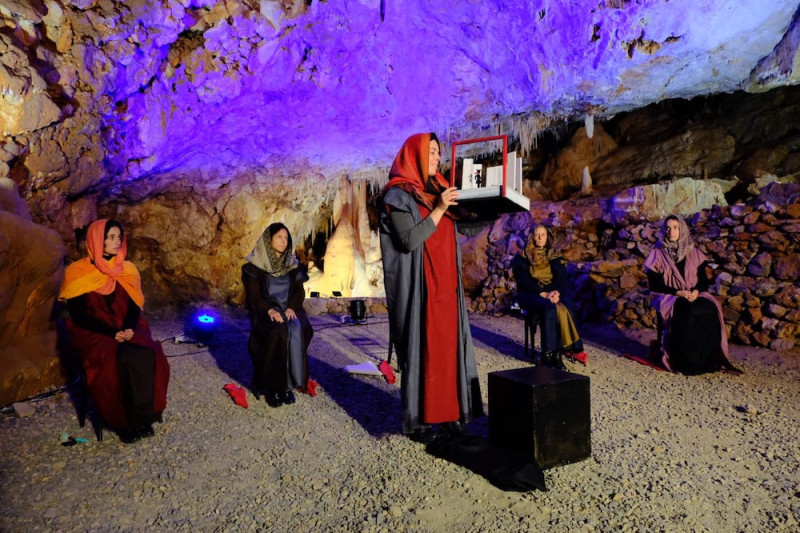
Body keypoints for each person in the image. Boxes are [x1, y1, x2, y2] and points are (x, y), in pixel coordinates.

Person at [379, 132, 484, 443]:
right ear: (416, 155)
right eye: (433, 152)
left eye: (439, 152)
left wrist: (495, 205)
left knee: (448, 349)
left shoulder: (439, 190)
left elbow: (465, 224)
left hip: (446, 285)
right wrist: (439, 208)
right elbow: (409, 240)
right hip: (421, 288)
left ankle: (449, 413)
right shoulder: (397, 196)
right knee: (423, 349)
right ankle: (421, 420)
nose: (439, 158)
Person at [59, 219, 170, 443]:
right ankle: (123, 422)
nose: (116, 242)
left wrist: (128, 328)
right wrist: (112, 334)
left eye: (119, 237)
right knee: (118, 360)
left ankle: (144, 415)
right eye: (110, 237)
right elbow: (80, 316)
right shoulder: (78, 272)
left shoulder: (127, 270)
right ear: (97, 240)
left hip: (125, 327)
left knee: (149, 354)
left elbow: (133, 307)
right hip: (93, 331)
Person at [644, 214, 739, 375]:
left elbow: (704, 281)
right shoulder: (657, 254)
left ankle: (709, 359)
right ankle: (686, 361)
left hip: (694, 294)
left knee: (710, 308)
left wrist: (695, 291)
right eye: (667, 228)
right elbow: (655, 285)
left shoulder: (693, 253)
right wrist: (678, 292)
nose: (671, 231)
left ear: (682, 229)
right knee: (687, 311)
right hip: (670, 295)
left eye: (675, 227)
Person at [242, 223, 314, 407]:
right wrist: (270, 310)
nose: (284, 241)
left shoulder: (291, 265)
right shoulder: (254, 267)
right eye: (279, 237)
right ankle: (274, 387)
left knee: (302, 329)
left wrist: (291, 307)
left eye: (286, 238)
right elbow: (254, 296)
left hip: (289, 309)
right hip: (266, 310)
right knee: (279, 333)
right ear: (269, 239)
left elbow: (299, 292)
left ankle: (289, 384)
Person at [511, 223, 583, 369]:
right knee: (550, 308)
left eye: (543, 234)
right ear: (532, 236)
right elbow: (524, 281)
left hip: (552, 292)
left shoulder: (554, 256)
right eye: (537, 234)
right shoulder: (524, 257)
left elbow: (562, 279)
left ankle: (560, 351)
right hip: (531, 293)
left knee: (566, 304)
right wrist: (543, 293)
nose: (539, 238)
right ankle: (548, 354)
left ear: (548, 237)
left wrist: (557, 293)